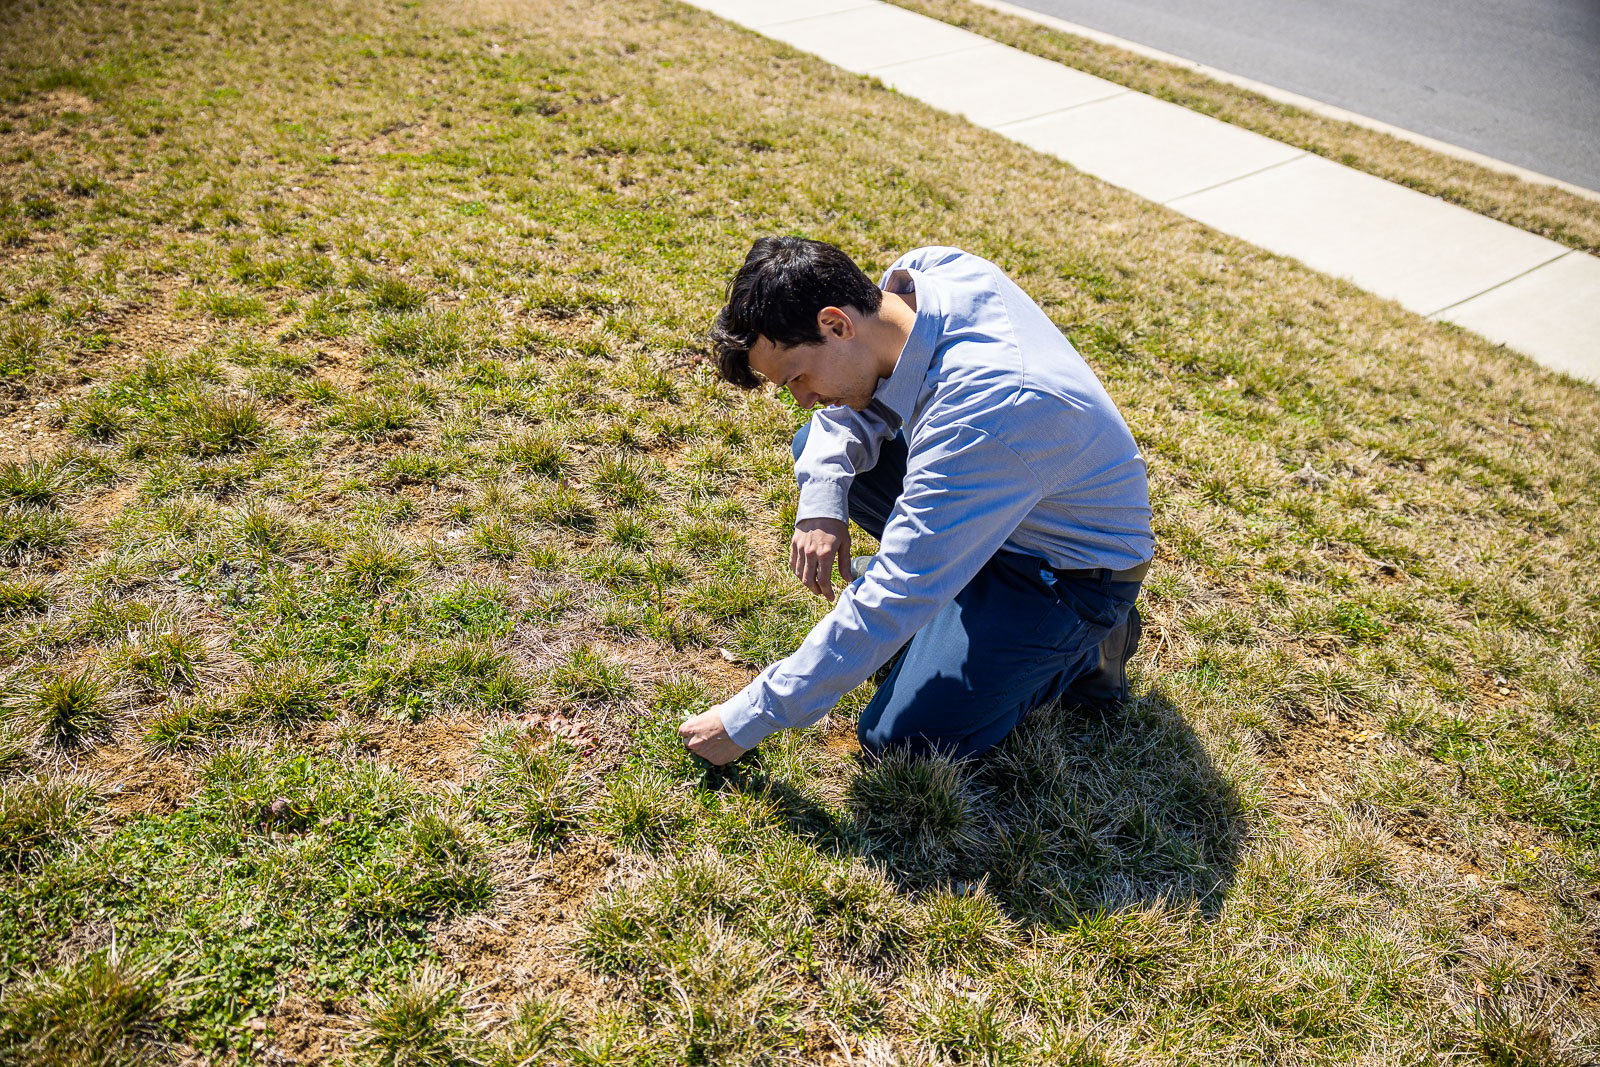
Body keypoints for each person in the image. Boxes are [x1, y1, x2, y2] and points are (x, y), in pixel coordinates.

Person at [677, 237, 1153, 766]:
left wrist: (748, 718)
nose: (804, 399)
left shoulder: (986, 411)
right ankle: (959, 591)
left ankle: (1089, 649)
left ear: (837, 324)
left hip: (1067, 576)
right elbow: (844, 418)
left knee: (902, 741)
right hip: (1001, 497)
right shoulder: (923, 278)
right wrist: (821, 504)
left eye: (798, 377)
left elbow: (896, 594)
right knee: (821, 451)